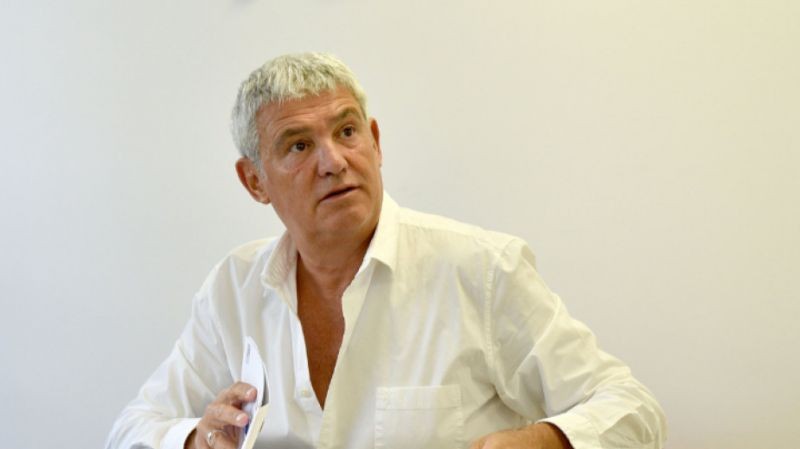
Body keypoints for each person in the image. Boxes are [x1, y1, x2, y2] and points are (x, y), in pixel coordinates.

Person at [106, 52, 667, 449]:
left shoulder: (481, 269)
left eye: (347, 132)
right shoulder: (234, 288)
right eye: (298, 145)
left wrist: (547, 440)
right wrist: (194, 440)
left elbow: (633, 409)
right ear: (254, 181)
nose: (333, 161)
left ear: (375, 142)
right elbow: (130, 430)